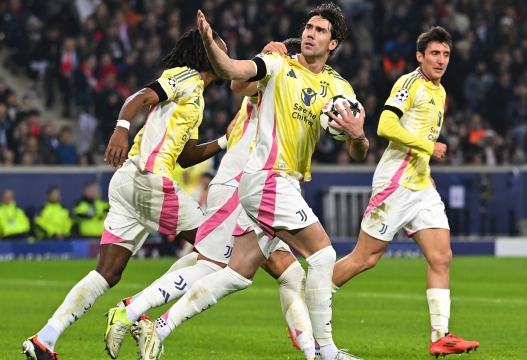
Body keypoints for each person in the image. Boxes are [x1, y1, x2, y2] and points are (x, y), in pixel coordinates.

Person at [135, 5, 369, 360]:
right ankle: (326, 351)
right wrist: (210, 43)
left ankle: (159, 328)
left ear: (333, 42)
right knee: (323, 256)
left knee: (236, 274)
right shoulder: (278, 64)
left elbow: (358, 151)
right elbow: (233, 72)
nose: (310, 33)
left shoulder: (340, 88)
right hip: (266, 178)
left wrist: (357, 136)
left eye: (320, 30)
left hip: (283, 182)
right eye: (308, 27)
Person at [22, 28, 230, 360]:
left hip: (128, 182)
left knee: (108, 273)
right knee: (218, 251)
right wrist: (121, 129)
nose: (226, 56)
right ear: (206, 54)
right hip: (149, 179)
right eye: (220, 49)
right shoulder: (185, 76)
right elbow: (139, 97)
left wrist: (223, 142)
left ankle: (45, 338)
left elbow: (187, 155)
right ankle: (133, 311)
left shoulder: (198, 99)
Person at [103, 38, 317, 359]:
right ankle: (136, 316)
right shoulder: (275, 76)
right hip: (240, 185)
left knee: (288, 273)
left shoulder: (299, 92)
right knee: (220, 269)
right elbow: (238, 83)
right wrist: (266, 55)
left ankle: (317, 351)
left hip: (262, 187)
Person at [330, 27, 480, 357]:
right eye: (435, 54)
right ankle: (306, 302)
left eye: (445, 54)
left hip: (421, 185)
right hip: (395, 185)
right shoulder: (409, 84)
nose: (441, 60)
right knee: (365, 259)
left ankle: (441, 336)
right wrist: (427, 146)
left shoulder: (440, 92)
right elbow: (385, 126)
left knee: (442, 257)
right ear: (420, 56)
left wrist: (425, 169)